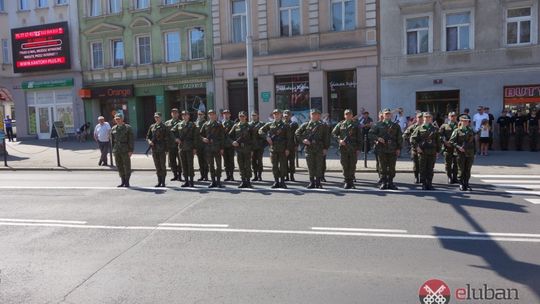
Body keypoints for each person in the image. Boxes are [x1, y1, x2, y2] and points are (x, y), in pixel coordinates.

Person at [369, 108, 403, 190]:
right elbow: (370, 134)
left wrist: (398, 149)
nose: (387, 115)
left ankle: (390, 182)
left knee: (392, 167)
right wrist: (378, 138)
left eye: (389, 114)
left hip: (392, 149)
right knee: (382, 167)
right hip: (381, 149)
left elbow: (399, 138)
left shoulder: (396, 126)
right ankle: (384, 182)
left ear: (391, 115)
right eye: (386, 114)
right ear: (383, 115)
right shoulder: (377, 124)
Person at [296, 109, 330, 189]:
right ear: (310, 115)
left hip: (319, 148)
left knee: (319, 165)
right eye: (313, 114)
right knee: (310, 166)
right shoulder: (306, 125)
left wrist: (325, 148)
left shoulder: (323, 125)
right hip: (309, 149)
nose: (314, 116)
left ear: (319, 116)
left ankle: (318, 182)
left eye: (316, 114)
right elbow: (297, 133)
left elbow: (327, 138)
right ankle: (311, 182)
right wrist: (303, 140)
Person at [259, 109, 293, 189]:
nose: (276, 115)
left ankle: (282, 181)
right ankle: (276, 181)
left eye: (278, 114)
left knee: (283, 166)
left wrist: (288, 149)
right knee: (274, 166)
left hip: (282, 148)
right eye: (275, 114)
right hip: (273, 148)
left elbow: (289, 138)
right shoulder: (270, 124)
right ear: (273, 115)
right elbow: (260, 131)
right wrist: (266, 137)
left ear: (281, 115)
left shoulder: (285, 125)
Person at [411, 112, 441, 190]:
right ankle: (424, 184)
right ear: (423, 118)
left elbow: (438, 141)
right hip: (422, 152)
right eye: (425, 117)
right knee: (422, 168)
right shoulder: (419, 128)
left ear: (431, 118)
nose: (427, 119)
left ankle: (429, 183)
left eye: (429, 117)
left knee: (430, 169)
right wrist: (417, 147)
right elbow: (412, 139)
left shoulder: (435, 129)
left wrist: (438, 151)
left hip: (432, 152)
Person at [332, 109, 362, 189]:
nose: (348, 116)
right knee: (344, 164)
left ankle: (351, 182)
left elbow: (360, 137)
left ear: (352, 115)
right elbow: (333, 133)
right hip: (343, 148)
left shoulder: (356, 124)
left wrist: (359, 149)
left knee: (352, 165)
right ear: (344, 115)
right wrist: (339, 140)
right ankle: (346, 181)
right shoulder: (341, 124)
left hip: (353, 148)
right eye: (346, 114)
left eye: (349, 114)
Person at [174, 110, 199, 187]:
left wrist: (195, 148)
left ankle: (191, 181)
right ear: (182, 116)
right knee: (183, 165)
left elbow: (196, 137)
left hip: (190, 147)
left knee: (190, 165)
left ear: (189, 116)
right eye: (183, 115)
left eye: (186, 115)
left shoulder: (192, 125)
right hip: (181, 148)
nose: (185, 116)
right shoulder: (179, 124)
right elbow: (171, 132)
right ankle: (186, 181)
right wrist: (176, 138)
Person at [200, 109, 225, 188]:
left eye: (213, 114)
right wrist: (203, 139)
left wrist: (222, 148)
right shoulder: (205, 124)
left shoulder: (219, 124)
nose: (211, 116)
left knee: (218, 165)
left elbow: (222, 137)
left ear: (215, 115)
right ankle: (213, 181)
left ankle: (218, 181)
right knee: (211, 165)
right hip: (208, 148)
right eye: (210, 114)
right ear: (208, 115)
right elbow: (199, 134)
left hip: (217, 148)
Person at [229, 111, 254, 188]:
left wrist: (252, 149)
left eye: (243, 116)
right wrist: (233, 142)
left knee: (248, 165)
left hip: (247, 149)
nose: (241, 117)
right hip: (239, 149)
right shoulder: (236, 126)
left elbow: (253, 139)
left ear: (246, 117)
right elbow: (229, 136)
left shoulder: (250, 126)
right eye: (240, 116)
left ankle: (248, 182)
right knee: (241, 165)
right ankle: (243, 181)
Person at [450, 115, 475, 191]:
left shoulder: (470, 130)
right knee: (461, 169)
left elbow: (474, 142)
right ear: (461, 121)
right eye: (464, 121)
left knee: (468, 169)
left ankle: (466, 184)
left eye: (467, 121)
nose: (466, 122)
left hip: (470, 152)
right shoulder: (457, 131)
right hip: (460, 153)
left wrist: (475, 152)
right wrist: (458, 147)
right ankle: (461, 184)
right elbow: (451, 141)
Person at [111, 114, 134, 187]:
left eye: (119, 119)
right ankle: (122, 180)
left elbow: (131, 140)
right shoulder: (113, 128)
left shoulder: (128, 128)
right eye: (116, 119)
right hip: (117, 149)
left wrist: (131, 150)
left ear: (122, 119)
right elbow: (112, 140)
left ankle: (127, 181)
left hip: (125, 149)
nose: (117, 120)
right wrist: (113, 150)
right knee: (119, 165)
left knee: (127, 165)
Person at [147, 112, 168, 187]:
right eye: (155, 117)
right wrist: (149, 141)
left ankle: (163, 181)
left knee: (162, 166)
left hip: (161, 148)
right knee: (157, 166)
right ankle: (159, 181)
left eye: (158, 117)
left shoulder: (164, 126)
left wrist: (166, 149)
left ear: (161, 117)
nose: (156, 118)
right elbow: (148, 136)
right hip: (154, 149)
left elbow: (167, 138)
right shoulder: (152, 126)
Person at [403, 112, 424, 184]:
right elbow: (405, 135)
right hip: (415, 148)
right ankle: (416, 177)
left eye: (422, 118)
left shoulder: (425, 127)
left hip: (424, 149)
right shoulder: (412, 127)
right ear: (416, 118)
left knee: (423, 164)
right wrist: (410, 142)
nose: (420, 119)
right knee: (416, 164)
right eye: (419, 118)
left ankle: (422, 177)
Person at [439, 112, 458, 184]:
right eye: (451, 116)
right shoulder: (444, 125)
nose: (453, 117)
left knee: (456, 163)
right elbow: (440, 135)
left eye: (454, 116)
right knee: (448, 164)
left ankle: (455, 177)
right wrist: (445, 142)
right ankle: (449, 177)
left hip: (456, 148)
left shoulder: (459, 125)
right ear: (449, 117)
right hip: (447, 147)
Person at [165, 108, 182, 182]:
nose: (174, 114)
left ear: (178, 114)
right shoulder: (167, 123)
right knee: (172, 161)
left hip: (179, 146)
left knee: (180, 161)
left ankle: (180, 175)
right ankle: (175, 175)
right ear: (171, 114)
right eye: (173, 113)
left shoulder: (181, 122)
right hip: (170, 145)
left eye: (176, 113)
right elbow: (165, 135)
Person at [249, 111, 266, 181]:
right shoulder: (249, 124)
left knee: (259, 161)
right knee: (253, 161)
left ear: (258, 116)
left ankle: (259, 176)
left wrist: (264, 144)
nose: (254, 116)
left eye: (255, 115)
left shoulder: (262, 124)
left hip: (259, 146)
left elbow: (266, 134)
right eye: (252, 115)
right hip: (252, 146)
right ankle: (255, 175)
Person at [283, 110, 299, 181]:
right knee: (284, 161)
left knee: (292, 161)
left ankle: (292, 175)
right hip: (283, 146)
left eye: (288, 115)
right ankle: (286, 176)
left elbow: (297, 135)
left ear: (290, 116)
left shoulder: (294, 124)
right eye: (285, 115)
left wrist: (297, 145)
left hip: (292, 145)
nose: (286, 117)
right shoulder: (281, 124)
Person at [221, 110, 236, 181]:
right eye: (224, 114)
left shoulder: (233, 123)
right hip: (223, 146)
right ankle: (227, 176)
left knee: (231, 161)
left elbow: (235, 134)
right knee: (225, 161)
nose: (226, 115)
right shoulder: (221, 123)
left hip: (230, 145)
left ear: (230, 115)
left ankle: (232, 176)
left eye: (227, 114)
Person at [195, 110, 209, 181]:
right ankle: (202, 175)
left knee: (205, 161)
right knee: (200, 161)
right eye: (198, 114)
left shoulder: (206, 123)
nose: (199, 115)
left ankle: (206, 176)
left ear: (204, 115)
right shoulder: (195, 123)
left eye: (201, 114)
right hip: (198, 145)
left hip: (205, 146)